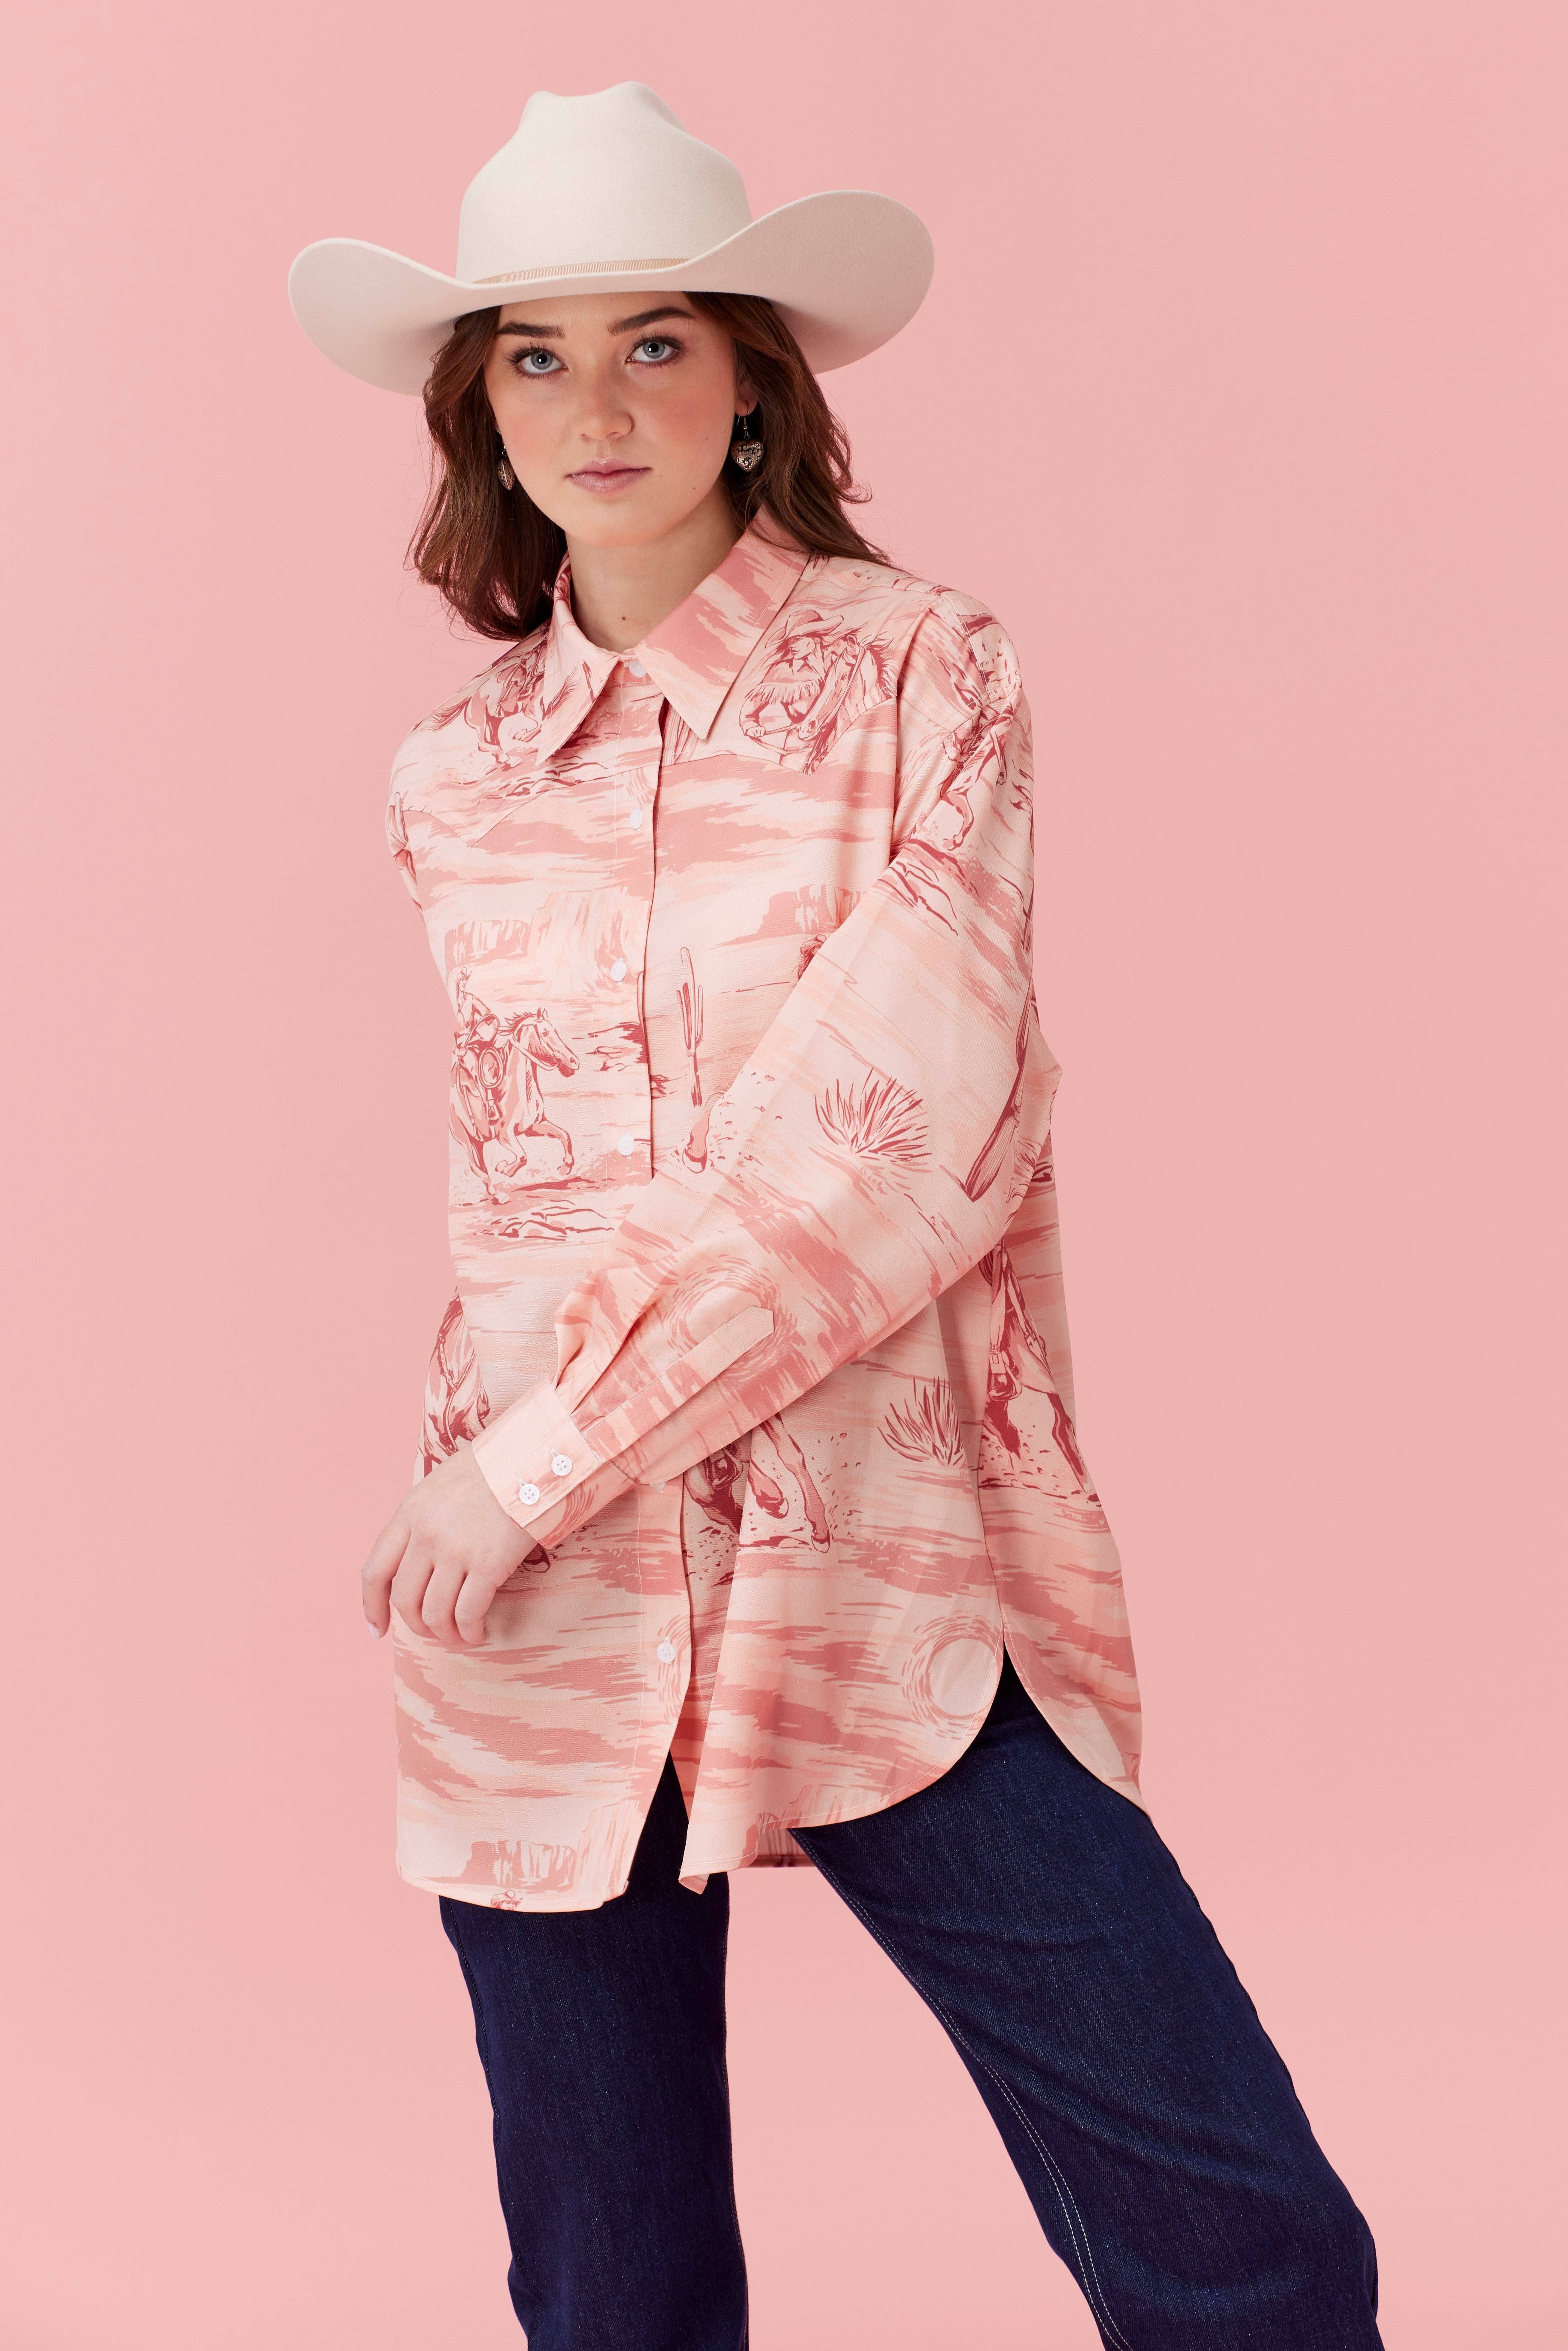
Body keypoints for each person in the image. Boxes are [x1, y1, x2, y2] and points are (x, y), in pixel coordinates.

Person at [289, 79, 1384, 2351]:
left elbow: (904, 1130)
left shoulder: (923, 672)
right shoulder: (454, 776)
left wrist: (538, 1456)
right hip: (536, 1597)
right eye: (535, 356)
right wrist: (506, 1479)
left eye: (657, 344)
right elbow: (514, 1187)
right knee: (615, 2297)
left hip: (871, 1556)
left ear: (755, 386)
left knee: (1247, 2253)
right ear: (478, 411)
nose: (598, 406)